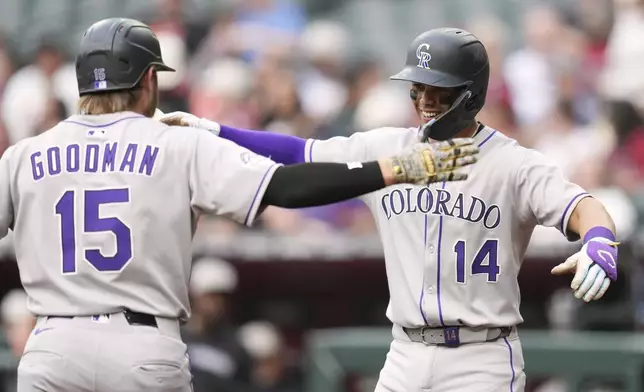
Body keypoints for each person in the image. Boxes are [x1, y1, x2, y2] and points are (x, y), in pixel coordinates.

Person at [0, 19, 477, 392]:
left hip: (52, 348)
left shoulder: (23, 154)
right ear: (148, 80)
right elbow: (287, 188)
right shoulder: (175, 144)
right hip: (141, 348)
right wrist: (398, 168)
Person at [162, 27, 620, 392]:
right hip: (406, 350)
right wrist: (213, 129)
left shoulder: (514, 164)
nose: (423, 102)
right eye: (417, 90)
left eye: (437, 93)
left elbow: (584, 207)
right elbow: (300, 151)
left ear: (471, 95)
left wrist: (599, 240)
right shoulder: (387, 150)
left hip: (482, 357)